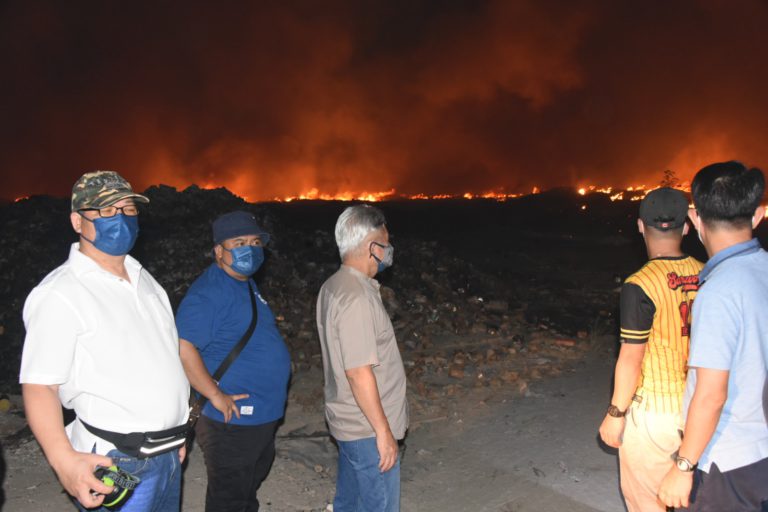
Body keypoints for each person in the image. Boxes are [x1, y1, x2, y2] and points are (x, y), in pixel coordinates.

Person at [19, 170, 190, 511]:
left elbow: (166, 358)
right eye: (107, 211)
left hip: (168, 453)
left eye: (128, 209)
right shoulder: (61, 292)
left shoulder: (147, 282)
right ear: (77, 221)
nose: (121, 218)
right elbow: (40, 386)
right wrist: (63, 460)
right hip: (117, 462)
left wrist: (176, 433)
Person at [659, 161, 768, 510]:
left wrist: (683, 465)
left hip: (729, 461)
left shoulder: (719, 291)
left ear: (694, 218)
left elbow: (710, 395)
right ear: (758, 215)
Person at [176, 210, 291, 512]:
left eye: (255, 242)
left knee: (250, 477)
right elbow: (183, 346)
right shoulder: (209, 291)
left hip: (257, 415)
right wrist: (214, 394)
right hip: (233, 419)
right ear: (219, 251)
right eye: (239, 242)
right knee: (229, 497)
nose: (250, 249)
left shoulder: (244, 282)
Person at [598, 187, 703, 511]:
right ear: (686, 227)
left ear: (641, 226)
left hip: (654, 414)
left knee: (647, 502)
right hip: (699, 406)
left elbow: (631, 356)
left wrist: (616, 413)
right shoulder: (708, 273)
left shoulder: (640, 283)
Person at [316, 204, 408, 512]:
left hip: (349, 424)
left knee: (350, 504)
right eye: (386, 242)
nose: (389, 250)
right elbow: (358, 372)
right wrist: (383, 432)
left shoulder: (334, 285)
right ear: (372, 247)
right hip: (367, 429)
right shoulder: (355, 297)